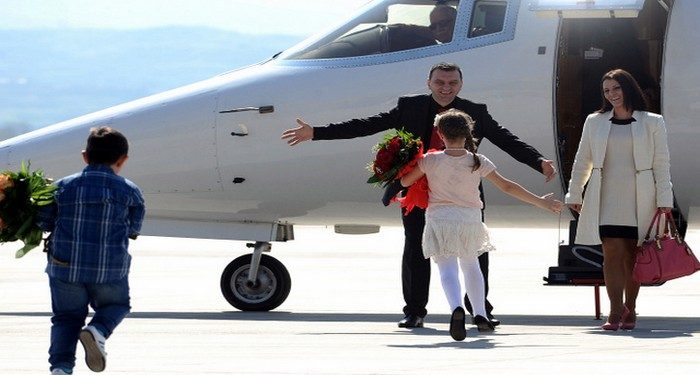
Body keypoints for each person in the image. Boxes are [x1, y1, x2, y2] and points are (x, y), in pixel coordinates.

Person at [281, 62, 556, 329]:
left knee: (472, 251)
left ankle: (479, 311)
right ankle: (414, 312)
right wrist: (316, 133)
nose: (446, 88)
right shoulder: (410, 106)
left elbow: (506, 139)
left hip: (463, 192)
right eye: (439, 82)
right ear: (429, 83)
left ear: (461, 85)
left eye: (452, 83)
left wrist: (538, 160)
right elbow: (366, 125)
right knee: (415, 247)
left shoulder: (475, 111)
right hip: (417, 188)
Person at [400, 109, 562, 340]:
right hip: (470, 219)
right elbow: (508, 186)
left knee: (447, 268)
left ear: (439, 133)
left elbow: (405, 181)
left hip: (440, 218)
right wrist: (541, 203)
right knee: (471, 266)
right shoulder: (477, 161)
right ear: (468, 134)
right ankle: (480, 314)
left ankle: (456, 307)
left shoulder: (430, 160)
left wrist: (406, 164)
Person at [565, 69, 673, 331]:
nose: (612, 94)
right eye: (606, 91)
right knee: (611, 253)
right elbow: (583, 160)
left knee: (632, 256)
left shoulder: (652, 122)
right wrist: (575, 192)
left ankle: (631, 308)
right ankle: (614, 311)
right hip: (606, 196)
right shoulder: (595, 121)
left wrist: (664, 198)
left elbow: (661, 163)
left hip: (642, 197)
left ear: (628, 88)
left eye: (616, 88)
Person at [37, 127, 145, 374]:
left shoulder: (61, 187)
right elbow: (134, 229)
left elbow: (44, 222)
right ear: (123, 160)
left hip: (65, 266)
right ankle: (98, 330)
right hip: (109, 268)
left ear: (84, 156)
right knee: (117, 306)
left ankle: (61, 368)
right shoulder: (130, 191)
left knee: (66, 318)